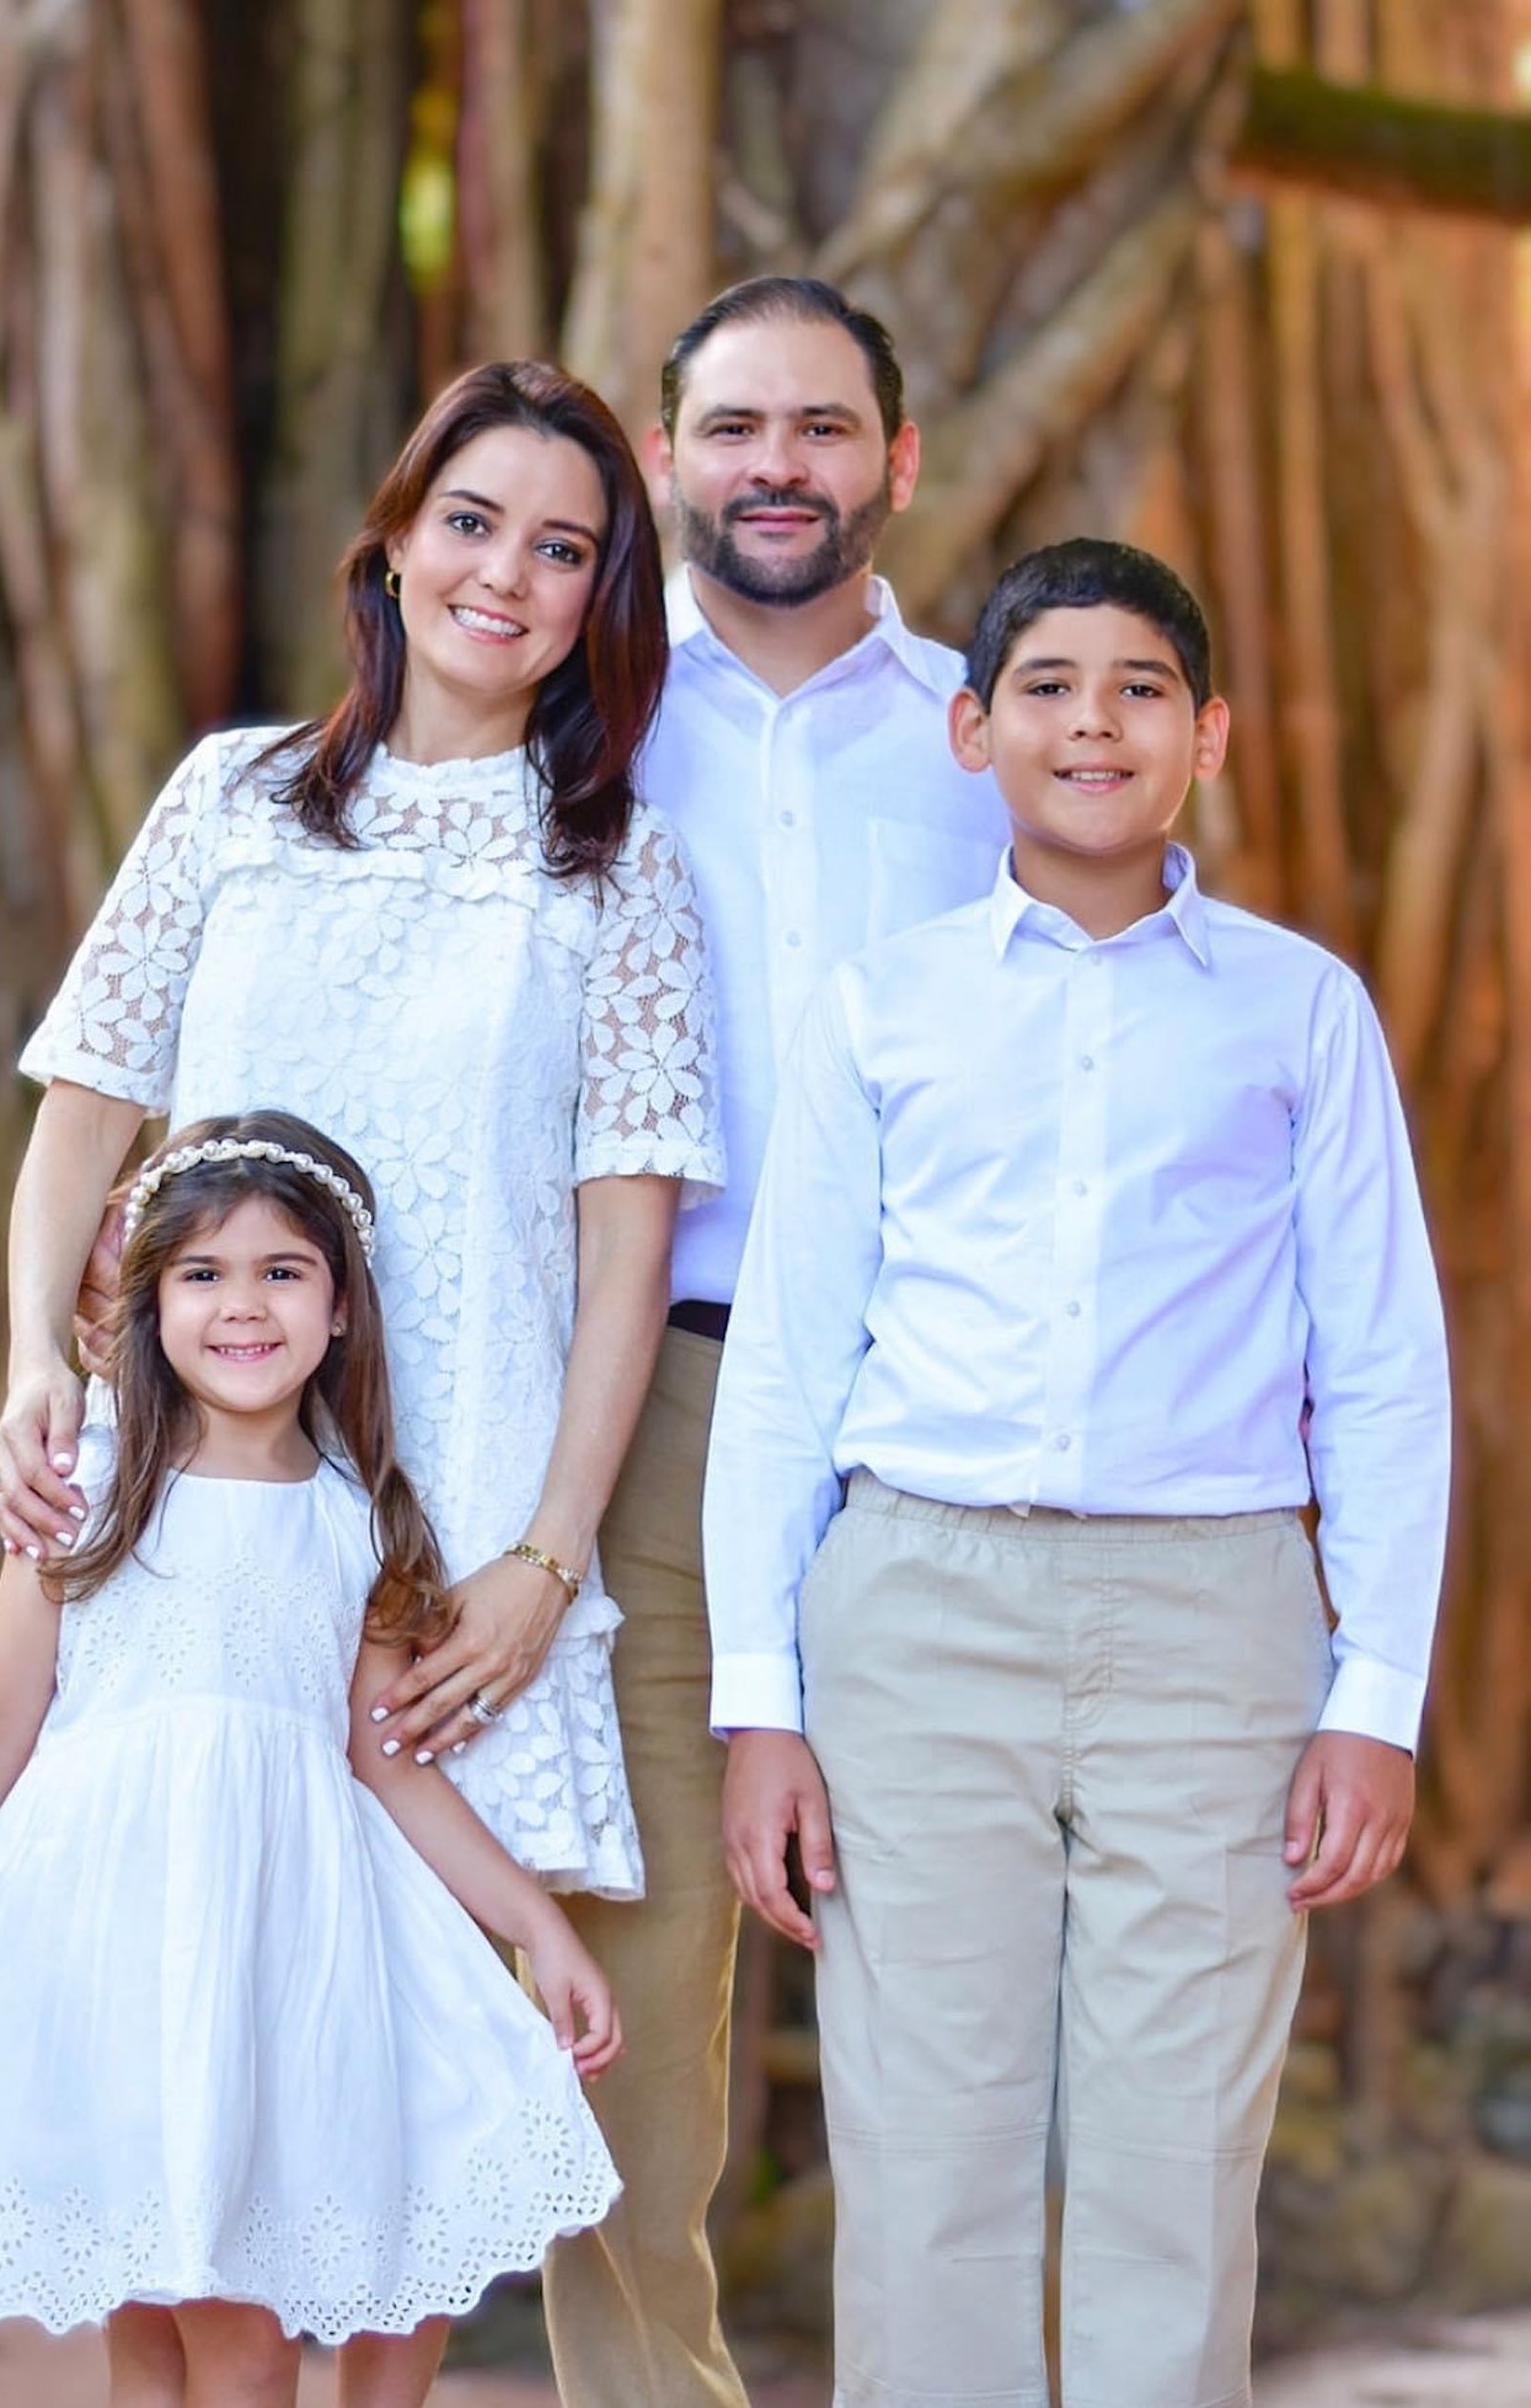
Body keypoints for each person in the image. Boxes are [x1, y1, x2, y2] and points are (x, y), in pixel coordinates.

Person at [0, 360, 719, 2393]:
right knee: (189, 2055)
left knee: (419, 2099)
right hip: (203, 1496)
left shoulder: (620, 867)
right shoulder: (232, 798)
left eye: (562, 547)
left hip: (460, 1532)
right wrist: (41, 1361)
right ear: (394, 541)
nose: (505, 573)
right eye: (470, 521)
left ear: (598, 598)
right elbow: (83, 1106)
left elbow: (626, 1247)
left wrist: (545, 1557)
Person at [704, 539, 1451, 2408]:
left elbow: (1380, 1369)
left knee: (1175, 2174)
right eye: (1046, 685)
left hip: (1215, 1621)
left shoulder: (1299, 1008)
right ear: (972, 731)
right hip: (915, 1607)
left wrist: (1373, 1696)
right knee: (922, 2158)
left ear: (1209, 734)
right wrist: (758, 1698)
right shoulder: (882, 1006)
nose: (1092, 722)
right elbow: (787, 1363)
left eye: (1139, 688)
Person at [485, 277, 1011, 2408]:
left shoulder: (1003, 728)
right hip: (653, 1403)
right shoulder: (567, 725)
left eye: (821, 426)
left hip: (945, 1420)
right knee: (628, 2021)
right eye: (731, 427)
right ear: (663, 458)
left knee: (962, 2007)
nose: (775, 466)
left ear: (898, 457)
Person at [0, 1112, 622, 2407]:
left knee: (251, 2322)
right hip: (111, 1942)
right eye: (203, 1273)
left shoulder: (359, 1520)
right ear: (149, 1302)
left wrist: (537, 1928)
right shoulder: (87, 1486)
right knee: (166, 2337)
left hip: (281, 1941)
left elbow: (390, 1761)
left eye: (282, 1272)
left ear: (341, 1308)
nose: (243, 1305)